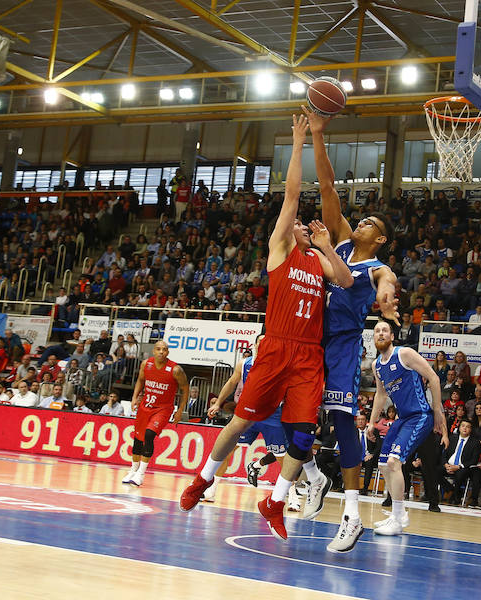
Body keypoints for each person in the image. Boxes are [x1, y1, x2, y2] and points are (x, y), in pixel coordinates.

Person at [179, 114, 354, 543]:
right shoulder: (280, 249)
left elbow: (347, 281)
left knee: (304, 432)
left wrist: (327, 245)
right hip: (276, 346)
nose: (302, 223)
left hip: (308, 353)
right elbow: (293, 193)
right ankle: (203, 480)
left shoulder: (318, 259)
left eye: (302, 225)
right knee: (240, 422)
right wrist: (298, 142)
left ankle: (275, 500)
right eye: (298, 223)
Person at [303, 108, 399, 553]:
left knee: (342, 423)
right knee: (291, 413)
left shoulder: (377, 264)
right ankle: (311, 477)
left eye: (371, 225)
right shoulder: (338, 239)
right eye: (363, 220)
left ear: (379, 239)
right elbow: (326, 186)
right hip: (310, 340)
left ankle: (352, 515)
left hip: (341, 348)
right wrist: (318, 136)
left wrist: (386, 298)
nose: (361, 223)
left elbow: (387, 283)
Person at [367, 320, 447, 536]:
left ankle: (399, 516)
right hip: (402, 419)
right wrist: (372, 422)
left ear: (392, 336)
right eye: (377, 331)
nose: (381, 333)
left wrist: (437, 409)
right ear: (374, 338)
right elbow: (381, 395)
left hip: (420, 415)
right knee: (383, 465)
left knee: (394, 462)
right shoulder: (377, 365)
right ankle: (396, 515)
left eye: (385, 330)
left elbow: (433, 377)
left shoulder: (404, 354)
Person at [206, 335, 288, 502]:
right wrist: (218, 403)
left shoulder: (281, 363)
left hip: (272, 414)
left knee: (282, 457)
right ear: (255, 344)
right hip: (247, 413)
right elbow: (231, 382)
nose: (264, 344)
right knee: (227, 450)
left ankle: (291, 496)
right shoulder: (244, 363)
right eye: (261, 341)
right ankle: (211, 490)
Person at [122, 340, 189, 487]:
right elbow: (140, 380)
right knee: (138, 439)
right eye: (158, 349)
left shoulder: (175, 370)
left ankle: (141, 473)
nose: (161, 352)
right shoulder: (146, 364)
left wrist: (180, 410)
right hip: (145, 406)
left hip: (163, 409)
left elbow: (185, 389)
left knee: (149, 435)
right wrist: (134, 397)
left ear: (168, 352)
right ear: (153, 351)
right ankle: (132, 470)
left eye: (164, 349)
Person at [439, 420, 481, 507]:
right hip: (448, 465)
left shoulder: (475, 442)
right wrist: (445, 464)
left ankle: (456, 497)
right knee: (435, 470)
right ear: (459, 428)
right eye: (463, 426)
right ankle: (450, 489)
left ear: (471, 429)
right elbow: (444, 454)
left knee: (460, 473)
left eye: (467, 426)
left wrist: (458, 466)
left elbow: (474, 460)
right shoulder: (452, 438)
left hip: (462, 467)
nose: (465, 428)